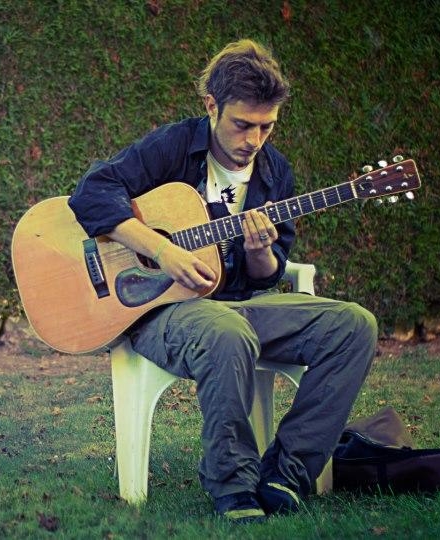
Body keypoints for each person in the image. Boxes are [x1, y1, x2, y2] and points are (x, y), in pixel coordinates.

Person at [67, 39, 377, 523]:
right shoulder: (175, 145)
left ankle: (286, 474)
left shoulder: (275, 172)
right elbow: (91, 192)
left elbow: (269, 273)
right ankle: (233, 486)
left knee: (354, 326)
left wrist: (259, 251)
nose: (255, 139)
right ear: (212, 106)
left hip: (237, 305)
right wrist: (161, 250)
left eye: (267, 126)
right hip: (162, 311)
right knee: (227, 332)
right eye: (242, 124)